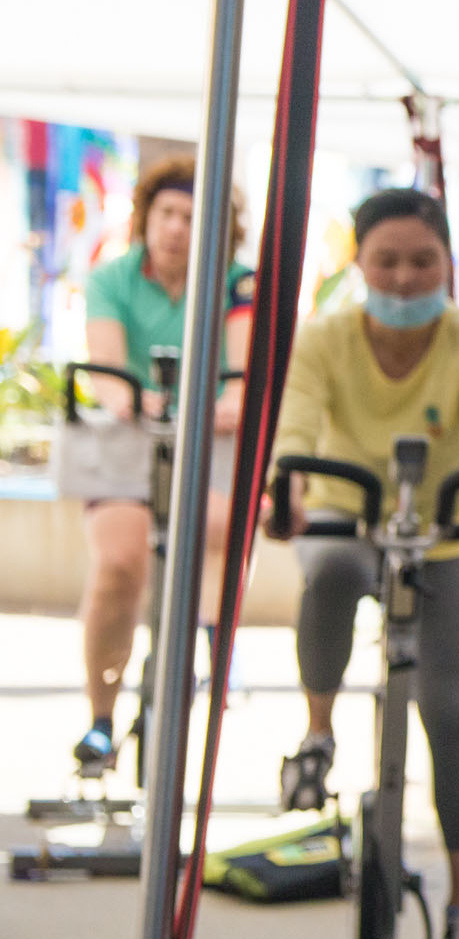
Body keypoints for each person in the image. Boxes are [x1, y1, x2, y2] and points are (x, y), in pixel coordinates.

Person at [266, 188, 459, 939]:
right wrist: (284, 492)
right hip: (345, 514)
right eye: (387, 261)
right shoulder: (324, 338)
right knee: (329, 574)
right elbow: (295, 427)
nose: (406, 278)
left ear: (447, 262)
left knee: (448, 712)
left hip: (442, 531)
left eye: (423, 261)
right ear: (360, 263)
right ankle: (317, 733)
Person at [74, 156, 253, 775]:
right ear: (147, 218)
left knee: (223, 527)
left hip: (206, 452)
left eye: (191, 216)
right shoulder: (113, 278)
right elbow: (107, 371)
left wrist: (223, 401)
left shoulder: (236, 282)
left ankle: (209, 660)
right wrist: (130, 398)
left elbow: (240, 370)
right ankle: (102, 715)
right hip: (133, 447)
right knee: (120, 561)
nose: (178, 228)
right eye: (168, 213)